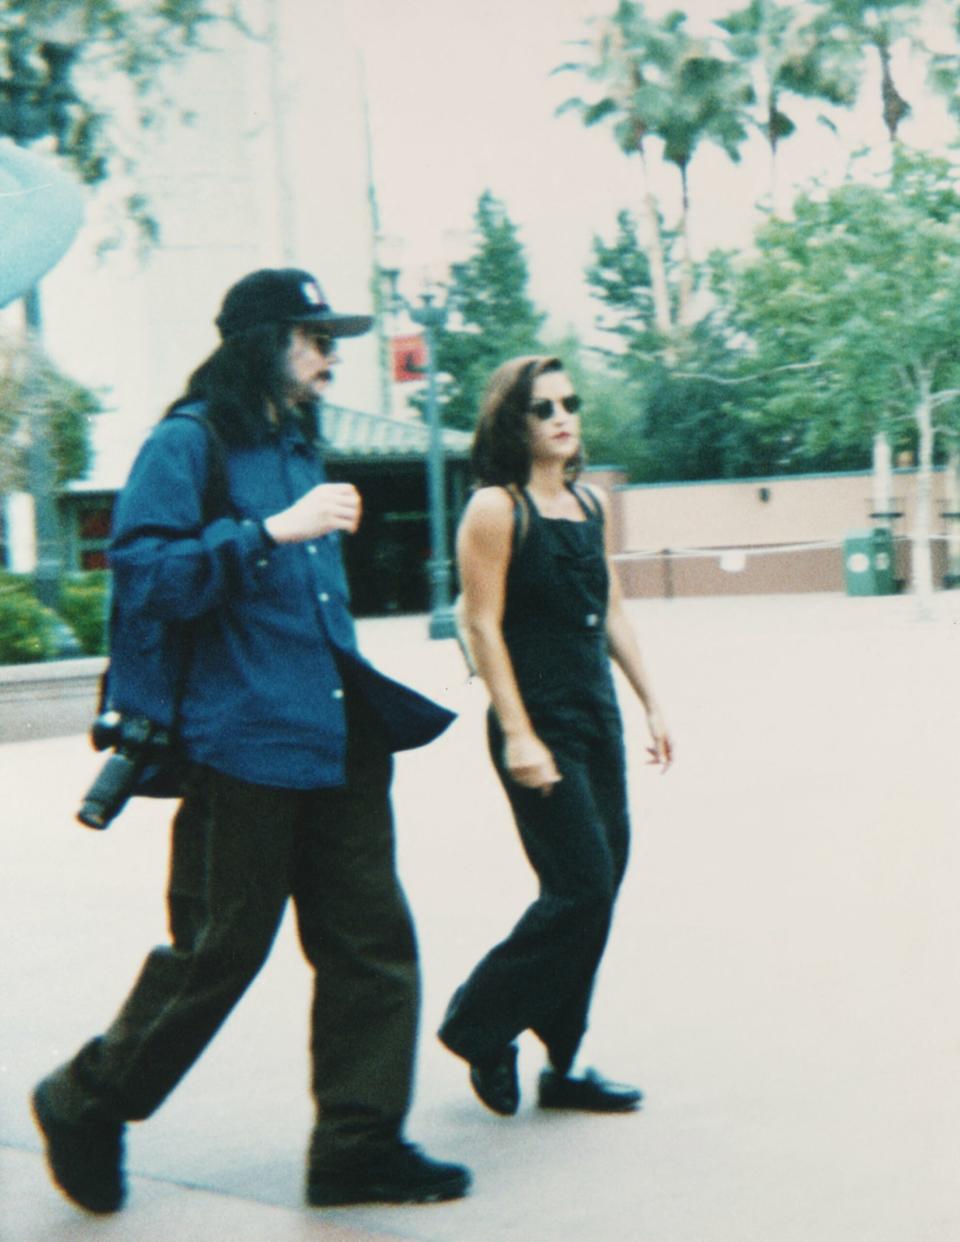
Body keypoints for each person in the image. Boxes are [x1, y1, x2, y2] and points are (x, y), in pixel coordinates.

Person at [31, 268, 471, 1212]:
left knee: (370, 943)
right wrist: (268, 530)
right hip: (242, 742)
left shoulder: (300, 443)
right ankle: (85, 1099)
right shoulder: (189, 443)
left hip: (337, 730)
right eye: (313, 338)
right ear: (260, 342)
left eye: (330, 340)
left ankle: (357, 1146)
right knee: (218, 949)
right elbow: (144, 579)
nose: (329, 356)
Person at [438, 354, 673, 1117]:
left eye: (569, 403)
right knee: (581, 886)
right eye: (544, 408)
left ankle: (563, 1064)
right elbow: (481, 623)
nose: (563, 417)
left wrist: (651, 704)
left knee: (599, 894)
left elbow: (610, 610)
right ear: (516, 421)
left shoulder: (589, 504)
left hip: (594, 714)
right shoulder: (496, 509)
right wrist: (518, 733)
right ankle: (478, 1023)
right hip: (536, 720)